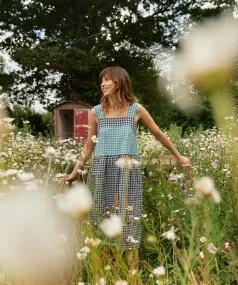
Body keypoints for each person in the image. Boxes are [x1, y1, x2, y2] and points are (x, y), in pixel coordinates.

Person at [65, 66, 190, 269]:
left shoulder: (136, 109)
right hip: (101, 168)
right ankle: (105, 268)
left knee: (129, 216)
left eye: (107, 80)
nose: (103, 84)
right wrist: (73, 172)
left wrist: (179, 156)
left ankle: (133, 270)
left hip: (127, 170)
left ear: (119, 82)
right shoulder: (95, 112)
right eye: (101, 81)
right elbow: (89, 146)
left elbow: (158, 134)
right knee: (101, 216)